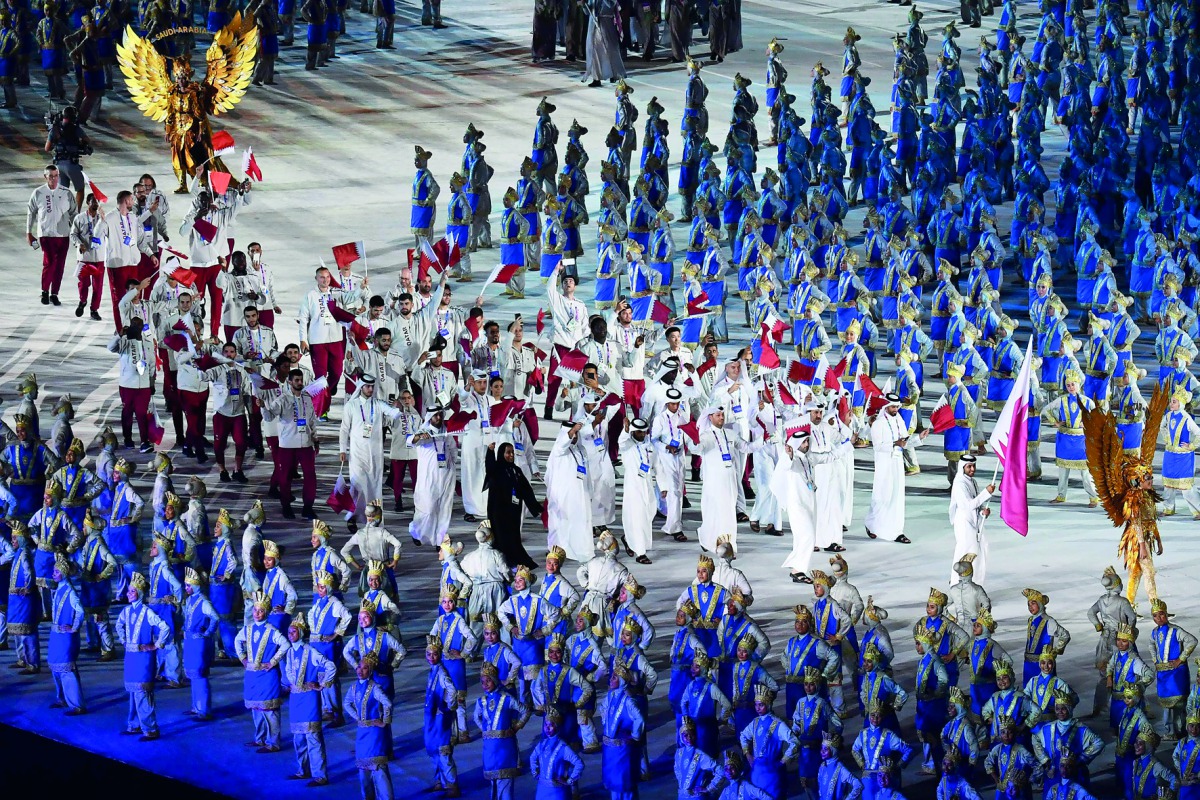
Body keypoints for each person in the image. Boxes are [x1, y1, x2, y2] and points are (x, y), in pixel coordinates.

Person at [253, 368, 321, 520]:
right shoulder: (282, 399)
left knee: (310, 476)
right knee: (285, 477)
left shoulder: (307, 398)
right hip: (288, 445)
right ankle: (286, 506)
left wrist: (315, 439)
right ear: (289, 382)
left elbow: (311, 421)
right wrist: (263, 406)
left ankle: (308, 507)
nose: (299, 383)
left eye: (300, 380)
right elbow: (270, 416)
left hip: (306, 445)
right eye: (296, 380)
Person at [864, 394, 929, 544]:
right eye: (893, 407)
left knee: (897, 496)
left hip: (897, 463)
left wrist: (919, 438)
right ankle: (872, 523)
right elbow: (878, 446)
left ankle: (897, 531)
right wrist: (895, 444)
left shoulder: (899, 420)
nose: (896, 409)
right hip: (884, 464)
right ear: (886, 407)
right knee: (882, 496)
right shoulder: (878, 423)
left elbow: (904, 443)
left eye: (897, 407)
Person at [116, 572, 171, 740]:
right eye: (128, 591)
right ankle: (134, 725)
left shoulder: (147, 612)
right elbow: (119, 625)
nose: (128, 594)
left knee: (142, 694)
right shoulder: (126, 611)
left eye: (132, 591)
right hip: (131, 657)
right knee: (133, 692)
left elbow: (165, 628)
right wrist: (124, 641)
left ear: (139, 593)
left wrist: (156, 645)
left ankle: (151, 728)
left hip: (143, 659)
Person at [236, 591, 290, 753]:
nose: (257, 613)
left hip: (268, 676)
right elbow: (237, 640)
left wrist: (272, 662)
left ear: (266, 612)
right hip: (252, 675)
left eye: (260, 611)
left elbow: (285, 644)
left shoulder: (272, 630)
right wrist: (243, 658)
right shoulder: (248, 629)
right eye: (255, 610)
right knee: (256, 710)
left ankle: (273, 742)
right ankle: (260, 738)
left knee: (270, 710)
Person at [474, 661, 531, 800]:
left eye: (488, 681)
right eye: (483, 682)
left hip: (505, 747)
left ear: (495, 680)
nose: (485, 684)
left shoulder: (507, 698)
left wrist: (517, 727)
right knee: (493, 783)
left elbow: (525, 711)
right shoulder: (481, 701)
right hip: (489, 748)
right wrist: (486, 731)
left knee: (505, 782)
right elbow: (476, 717)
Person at [484, 441, 543, 569]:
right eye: (508, 453)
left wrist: (536, 506)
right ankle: (503, 561)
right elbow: (489, 466)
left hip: (513, 510)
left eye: (512, 453)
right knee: (501, 537)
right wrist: (490, 452)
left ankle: (517, 559)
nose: (511, 455)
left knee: (514, 536)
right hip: (499, 511)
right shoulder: (496, 469)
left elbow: (526, 489)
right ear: (501, 454)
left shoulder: (516, 470)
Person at [344, 653, 395, 800]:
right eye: (359, 666)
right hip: (362, 732)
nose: (360, 670)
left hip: (374, 733)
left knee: (379, 769)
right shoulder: (354, 687)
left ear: (370, 671)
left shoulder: (375, 688)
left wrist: (384, 720)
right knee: (363, 770)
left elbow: (388, 703)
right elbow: (347, 703)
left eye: (365, 668)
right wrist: (358, 717)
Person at [26, 164, 78, 307]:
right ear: (45, 177)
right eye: (51, 176)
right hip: (46, 234)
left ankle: (54, 293)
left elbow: (74, 213)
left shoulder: (66, 192)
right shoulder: (38, 193)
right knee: (49, 262)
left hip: (63, 235)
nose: (54, 179)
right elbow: (31, 212)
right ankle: (44, 291)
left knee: (60, 265)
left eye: (56, 176)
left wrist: (77, 232)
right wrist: (28, 232)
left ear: (59, 176)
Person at [408, 407, 458, 547]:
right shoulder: (423, 432)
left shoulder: (446, 432)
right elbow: (411, 441)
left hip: (446, 475)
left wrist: (452, 464)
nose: (438, 418)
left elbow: (453, 448)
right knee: (428, 508)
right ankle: (417, 532)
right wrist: (419, 437)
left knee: (444, 509)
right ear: (429, 417)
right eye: (435, 415)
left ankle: (439, 539)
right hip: (428, 477)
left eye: (440, 415)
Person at [948, 454, 995, 584]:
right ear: (962, 467)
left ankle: (975, 584)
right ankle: (956, 584)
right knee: (964, 554)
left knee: (980, 552)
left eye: (973, 466)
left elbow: (975, 505)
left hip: (975, 522)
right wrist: (986, 493)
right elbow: (967, 506)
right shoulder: (959, 484)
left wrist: (982, 512)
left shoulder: (972, 481)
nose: (972, 469)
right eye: (969, 466)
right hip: (964, 523)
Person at [47, 554, 85, 715]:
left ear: (62, 573)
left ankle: (76, 704)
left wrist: (74, 627)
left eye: (55, 572)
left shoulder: (70, 592)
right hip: (56, 636)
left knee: (67, 670)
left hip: (65, 637)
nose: (53, 574)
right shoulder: (59, 589)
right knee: (56, 668)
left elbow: (80, 611)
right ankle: (61, 697)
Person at [182, 567, 219, 721]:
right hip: (190, 641)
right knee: (193, 675)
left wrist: (208, 632)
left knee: (200, 675)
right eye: (186, 585)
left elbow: (215, 617)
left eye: (189, 585)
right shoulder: (190, 600)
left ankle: (204, 710)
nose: (186, 588)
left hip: (198, 643)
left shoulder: (203, 601)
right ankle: (196, 707)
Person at [583, 0, 625, 87]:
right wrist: (584, 4)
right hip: (593, 25)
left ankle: (614, 74)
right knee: (594, 52)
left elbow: (611, 5)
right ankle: (596, 78)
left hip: (606, 24)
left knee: (611, 50)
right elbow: (587, 12)